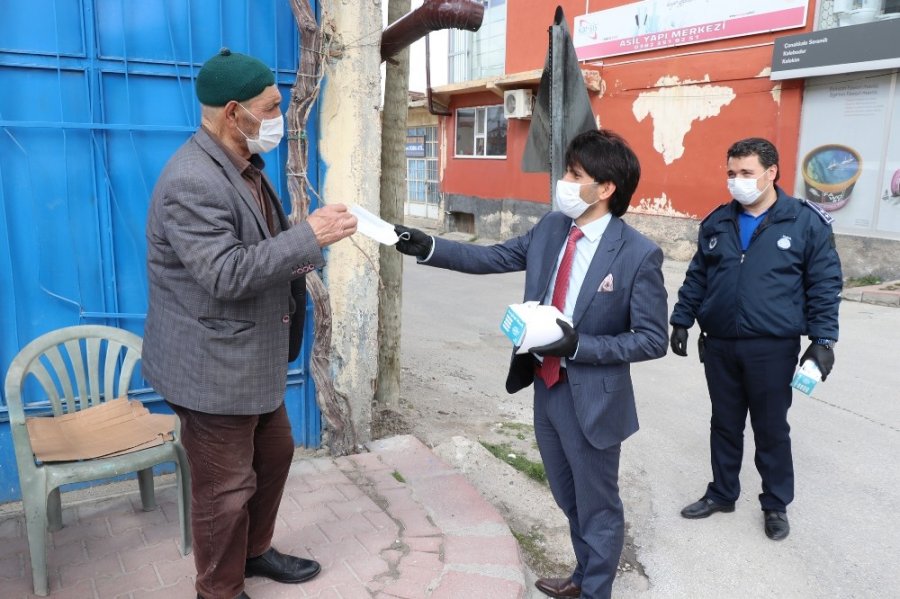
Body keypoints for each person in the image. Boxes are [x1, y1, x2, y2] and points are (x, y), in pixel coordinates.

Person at [394, 129, 668, 599]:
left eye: (575, 175)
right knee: (566, 492)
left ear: (606, 188)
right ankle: (584, 574)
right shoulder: (552, 227)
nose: (564, 182)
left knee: (598, 504)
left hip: (592, 398)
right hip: (546, 385)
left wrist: (579, 346)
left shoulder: (638, 254)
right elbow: (492, 256)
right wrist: (428, 247)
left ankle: (595, 590)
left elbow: (651, 339)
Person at [143, 48, 357, 599]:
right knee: (225, 488)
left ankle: (253, 552)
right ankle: (218, 589)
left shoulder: (243, 166)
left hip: (250, 358)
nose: (279, 117)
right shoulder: (192, 180)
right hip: (212, 367)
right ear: (233, 112)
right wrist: (308, 237)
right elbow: (226, 272)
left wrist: (309, 242)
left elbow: (264, 250)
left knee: (275, 453)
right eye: (271, 108)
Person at [670, 137, 842, 541]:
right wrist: (682, 319)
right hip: (720, 343)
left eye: (746, 173)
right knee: (724, 423)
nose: (737, 181)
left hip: (772, 348)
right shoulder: (717, 221)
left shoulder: (805, 222)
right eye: (732, 173)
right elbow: (698, 275)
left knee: (771, 429)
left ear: (771, 173)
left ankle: (775, 503)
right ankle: (722, 493)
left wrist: (823, 341)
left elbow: (824, 284)